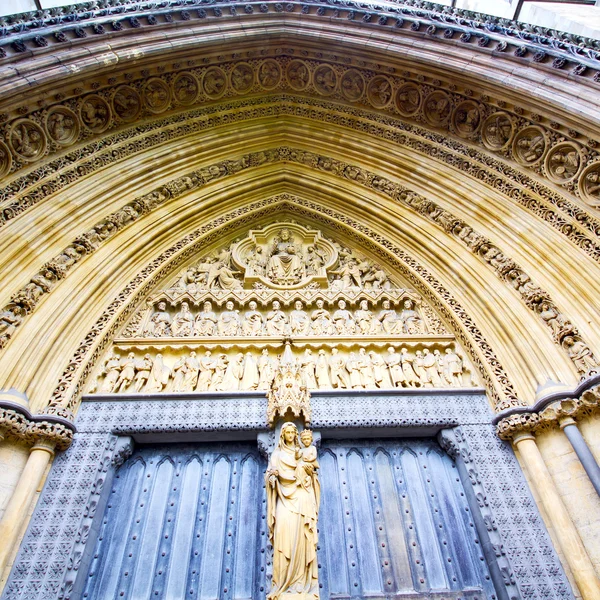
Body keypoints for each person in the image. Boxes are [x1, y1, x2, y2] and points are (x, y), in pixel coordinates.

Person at [265, 423, 320, 600]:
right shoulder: (277, 454)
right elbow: (270, 473)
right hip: (284, 498)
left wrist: (310, 473)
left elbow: (312, 475)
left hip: (302, 497)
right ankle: (282, 584)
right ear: (282, 435)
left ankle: (302, 585)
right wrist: (272, 478)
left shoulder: (302, 453)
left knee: (302, 539)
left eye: (292, 432)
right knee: (283, 536)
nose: (289, 435)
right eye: (287, 432)